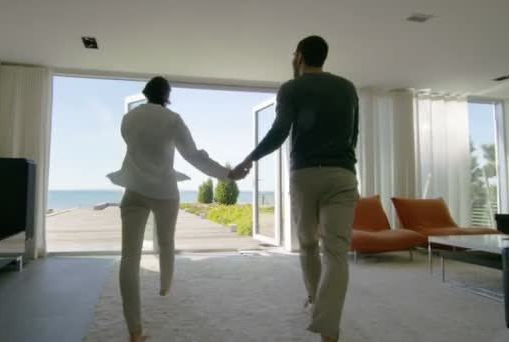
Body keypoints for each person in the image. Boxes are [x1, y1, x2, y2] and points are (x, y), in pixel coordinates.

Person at [230, 35, 359, 342]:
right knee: (336, 253)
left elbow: (279, 131)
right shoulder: (347, 87)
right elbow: (353, 134)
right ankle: (328, 329)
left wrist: (249, 159)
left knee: (309, 245)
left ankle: (315, 301)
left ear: (300, 56)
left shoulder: (291, 88)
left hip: (305, 176)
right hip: (342, 174)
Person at [107, 76, 230, 342]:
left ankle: (134, 331)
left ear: (146, 93)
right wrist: (226, 174)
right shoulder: (173, 119)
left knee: (129, 258)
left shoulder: (129, 118)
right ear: (167, 95)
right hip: (165, 191)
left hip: (134, 190)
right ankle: (165, 287)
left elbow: (140, 151)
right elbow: (194, 156)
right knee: (165, 242)